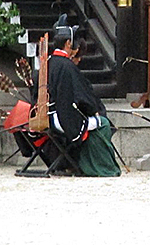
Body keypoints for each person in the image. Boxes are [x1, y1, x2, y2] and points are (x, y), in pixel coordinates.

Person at [37, 16, 119, 176]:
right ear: (68, 43)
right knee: (102, 122)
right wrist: (94, 110)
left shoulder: (47, 62)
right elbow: (82, 97)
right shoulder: (67, 66)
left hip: (46, 116)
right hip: (63, 120)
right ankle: (100, 167)